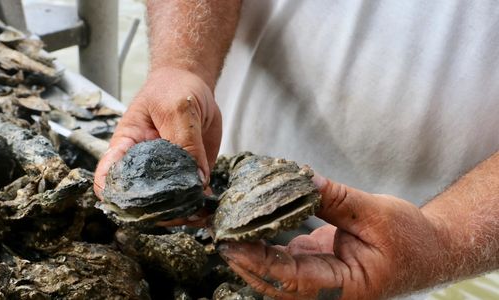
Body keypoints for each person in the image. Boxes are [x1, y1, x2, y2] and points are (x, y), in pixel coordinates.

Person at [95, 0, 499, 298]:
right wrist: (180, 64)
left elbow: (435, 244)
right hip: (220, 177)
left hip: (413, 244)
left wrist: (440, 241)